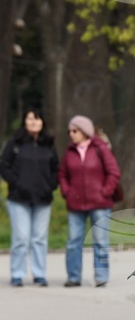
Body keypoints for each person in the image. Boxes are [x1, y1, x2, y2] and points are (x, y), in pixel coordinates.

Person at [58, 115, 120, 287]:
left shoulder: (101, 148)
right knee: (73, 241)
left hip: (100, 204)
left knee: (100, 241)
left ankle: (101, 277)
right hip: (75, 204)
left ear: (85, 131)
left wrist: (105, 192)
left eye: (75, 130)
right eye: (70, 131)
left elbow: (114, 172)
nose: (71, 134)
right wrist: (67, 191)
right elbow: (62, 174)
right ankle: (73, 277)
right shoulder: (69, 151)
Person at [0, 108, 59, 287]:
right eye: (30, 119)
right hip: (18, 199)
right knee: (21, 238)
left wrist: (50, 185)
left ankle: (39, 274)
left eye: (37, 119)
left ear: (43, 123)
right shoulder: (15, 143)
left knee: (39, 238)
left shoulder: (48, 144)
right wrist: (16, 183)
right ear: (24, 121)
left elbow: (56, 168)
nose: (34, 122)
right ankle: (17, 274)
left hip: (43, 199)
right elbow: (4, 165)